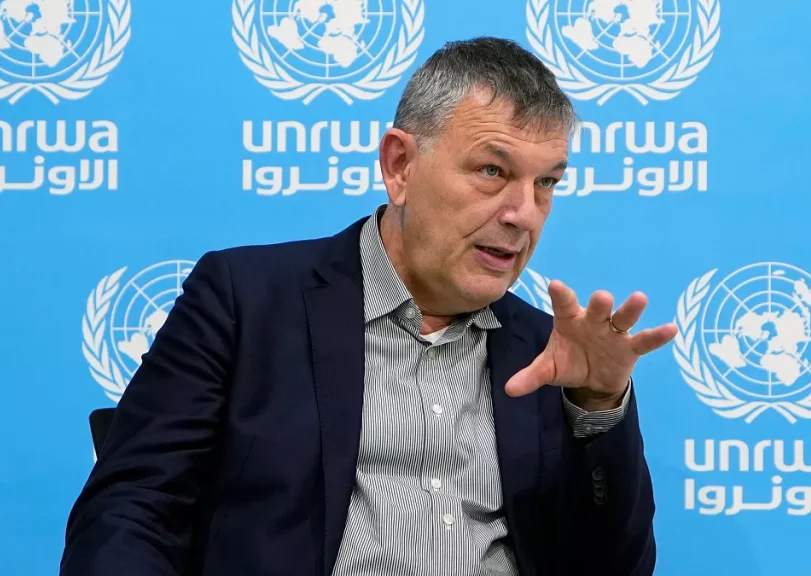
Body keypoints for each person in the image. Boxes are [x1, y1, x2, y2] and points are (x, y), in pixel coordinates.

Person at [59, 37, 678, 576]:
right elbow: (130, 510)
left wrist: (600, 408)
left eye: (547, 183)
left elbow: (616, 568)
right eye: (493, 170)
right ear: (399, 165)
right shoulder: (245, 300)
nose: (524, 214)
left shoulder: (550, 355)